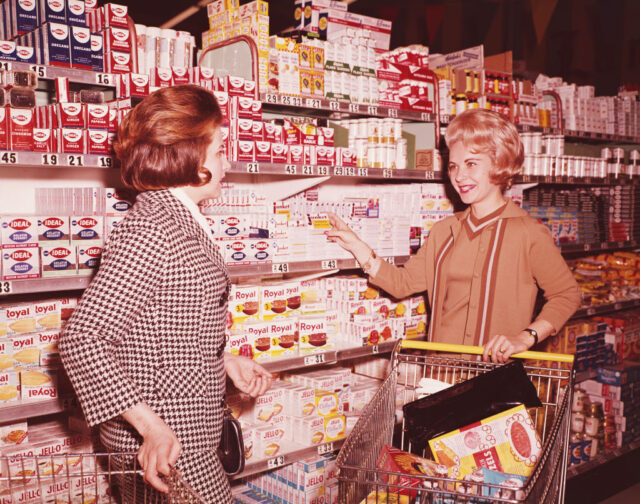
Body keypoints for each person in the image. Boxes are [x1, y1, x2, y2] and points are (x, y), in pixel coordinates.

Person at [60, 85, 272, 503]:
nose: (226, 161)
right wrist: (151, 428)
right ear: (190, 156)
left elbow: (159, 319)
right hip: (169, 442)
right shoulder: (151, 229)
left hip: (184, 429)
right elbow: (82, 341)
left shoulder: (176, 218)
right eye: (218, 149)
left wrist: (222, 361)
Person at [327, 109, 581, 363]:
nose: (459, 176)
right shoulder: (444, 231)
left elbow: (567, 294)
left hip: (498, 382)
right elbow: (402, 283)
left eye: (471, 164)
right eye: (453, 166)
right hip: (441, 376)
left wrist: (526, 337)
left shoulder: (528, 233)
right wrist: (358, 247)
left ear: (499, 163)